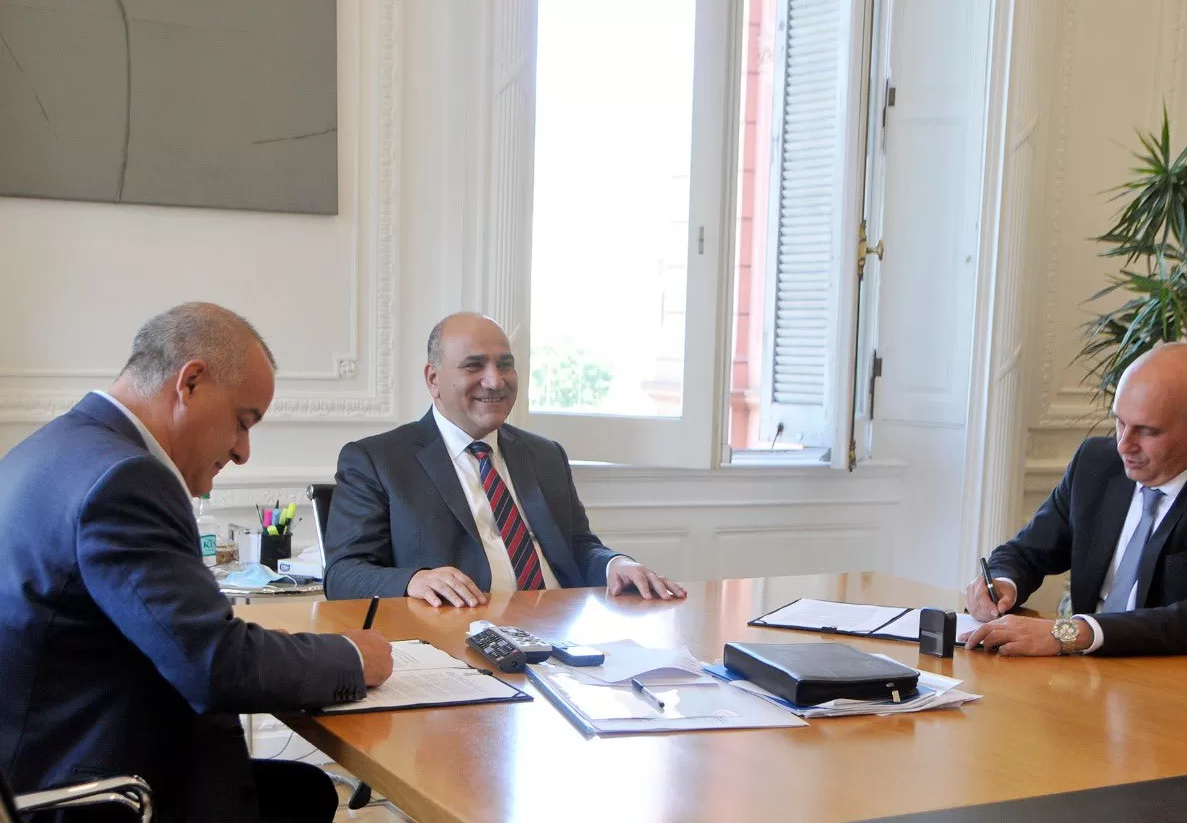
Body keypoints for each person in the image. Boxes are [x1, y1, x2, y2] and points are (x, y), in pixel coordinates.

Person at [0, 303, 394, 823]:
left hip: (44, 760)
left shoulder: (49, 448)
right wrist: (352, 657)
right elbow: (214, 666)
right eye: (242, 422)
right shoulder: (125, 480)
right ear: (190, 383)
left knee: (309, 791)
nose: (243, 452)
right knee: (306, 797)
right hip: (100, 791)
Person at [324, 312, 687, 606]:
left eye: (506, 365)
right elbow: (343, 575)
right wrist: (414, 580)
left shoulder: (545, 455)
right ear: (433, 379)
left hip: (563, 632)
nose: (495, 381)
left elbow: (577, 548)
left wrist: (615, 564)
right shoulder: (377, 460)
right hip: (461, 639)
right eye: (474, 366)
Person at [964, 343, 1187, 659]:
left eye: (1146, 431)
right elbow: (1028, 551)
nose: (1124, 445)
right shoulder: (1095, 463)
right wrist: (1002, 584)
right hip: (1093, 673)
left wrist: (1071, 633)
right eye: (1120, 422)